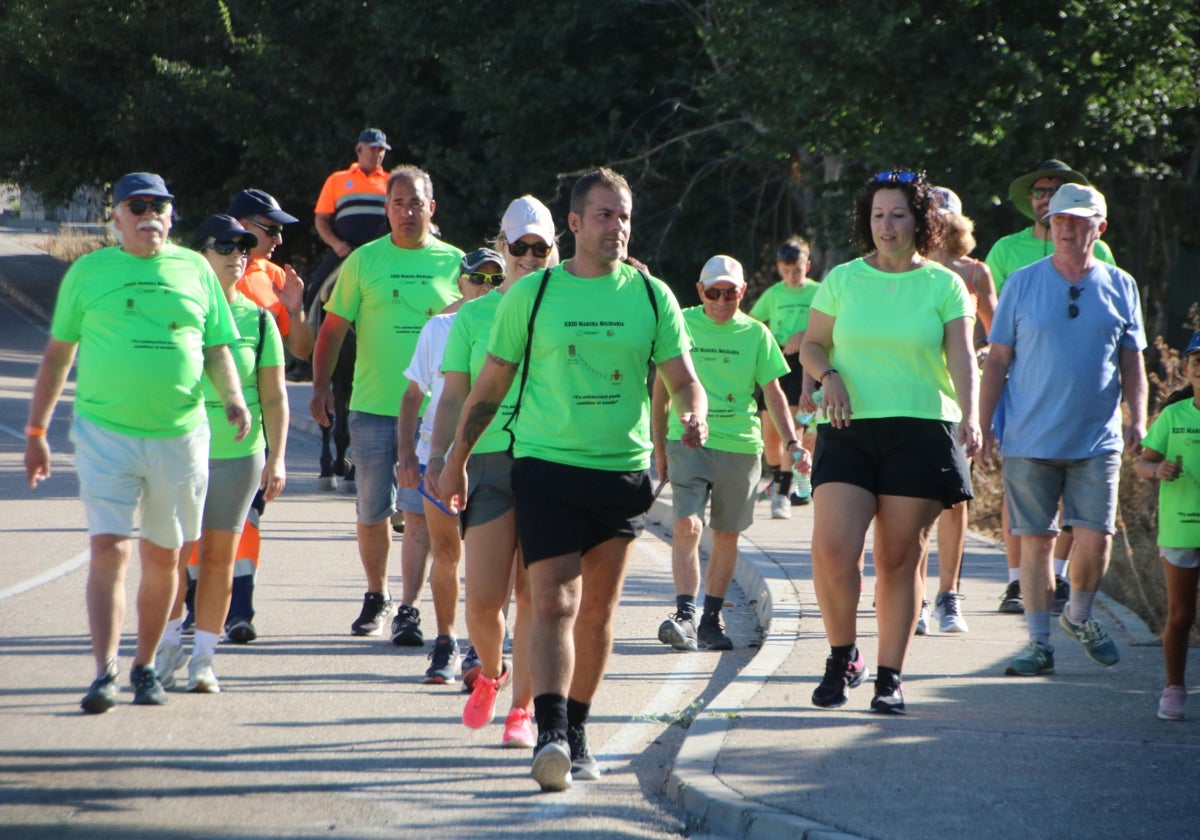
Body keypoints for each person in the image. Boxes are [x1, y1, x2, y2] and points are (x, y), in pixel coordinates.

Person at [435, 169, 707, 792]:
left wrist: (695, 409)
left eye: (625, 216)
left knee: (597, 614)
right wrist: (455, 461)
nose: (617, 227)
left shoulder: (650, 295)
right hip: (545, 465)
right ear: (576, 225)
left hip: (620, 472)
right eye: (605, 215)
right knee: (554, 598)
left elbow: (683, 376)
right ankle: (552, 733)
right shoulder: (531, 296)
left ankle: (577, 730)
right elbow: (491, 382)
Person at [24, 172, 249, 713]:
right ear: (117, 216)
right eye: (138, 205)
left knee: (165, 557)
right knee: (109, 548)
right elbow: (58, 354)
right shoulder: (89, 272)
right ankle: (103, 671)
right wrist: (35, 432)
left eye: (161, 206)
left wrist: (235, 398)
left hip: (180, 434)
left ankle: (145, 665)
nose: (150, 214)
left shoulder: (195, 269)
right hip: (107, 434)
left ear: (172, 216)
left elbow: (217, 346)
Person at [799, 169, 979, 715]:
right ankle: (841, 656)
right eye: (878, 215)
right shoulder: (843, 279)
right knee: (833, 550)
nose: (887, 225)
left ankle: (889, 676)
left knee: (899, 558)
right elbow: (811, 345)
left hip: (922, 428)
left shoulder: (944, 285)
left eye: (898, 214)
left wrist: (971, 419)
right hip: (848, 426)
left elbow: (963, 358)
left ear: (919, 221)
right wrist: (828, 376)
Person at [979, 183, 1147, 678]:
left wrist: (1138, 416)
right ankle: (1038, 643)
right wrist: (985, 422)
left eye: (1078, 220)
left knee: (1096, 538)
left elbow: (1133, 361)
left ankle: (1078, 615)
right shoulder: (1023, 283)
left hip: (1097, 438)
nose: (1067, 229)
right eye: (1059, 220)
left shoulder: (1122, 284)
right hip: (1030, 438)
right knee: (1035, 539)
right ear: (1049, 225)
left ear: (1101, 227)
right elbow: (999, 360)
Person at [309, 165, 463, 643]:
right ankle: (377, 594)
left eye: (416, 203)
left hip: (435, 414)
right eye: (397, 204)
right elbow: (333, 329)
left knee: (419, 512)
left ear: (431, 209)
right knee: (373, 509)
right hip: (375, 406)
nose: (407, 212)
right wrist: (318, 388)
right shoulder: (364, 261)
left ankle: (411, 608)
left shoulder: (457, 263)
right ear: (387, 209)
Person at [427, 195, 559, 748]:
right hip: (484, 461)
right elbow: (453, 398)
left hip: (548, 458)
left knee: (532, 594)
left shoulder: (562, 306)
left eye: (540, 247)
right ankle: (491, 669)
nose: (529, 256)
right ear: (502, 248)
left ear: (554, 251)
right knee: (482, 600)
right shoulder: (473, 316)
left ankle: (522, 710)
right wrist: (440, 462)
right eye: (520, 246)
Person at [155, 215, 288, 692]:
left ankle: (204, 659)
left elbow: (273, 397)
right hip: (180, 447)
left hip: (239, 452)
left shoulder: (259, 318)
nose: (237, 255)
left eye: (243, 248)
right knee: (174, 554)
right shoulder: (176, 309)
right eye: (225, 247)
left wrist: (277, 458)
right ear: (201, 254)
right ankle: (169, 643)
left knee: (218, 556)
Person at [653, 255, 810, 652]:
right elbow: (659, 389)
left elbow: (772, 393)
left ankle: (710, 619)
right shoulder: (681, 322)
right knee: (688, 525)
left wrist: (792, 444)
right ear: (700, 291)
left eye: (731, 293)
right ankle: (685, 614)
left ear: (743, 293)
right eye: (713, 292)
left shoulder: (756, 334)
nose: (722, 301)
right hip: (688, 441)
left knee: (725, 535)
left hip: (740, 445)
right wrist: (659, 446)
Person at [985, 160, 1117, 615]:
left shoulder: (1102, 253)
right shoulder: (1006, 250)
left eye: (1056, 189)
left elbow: (1109, 307)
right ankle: (1018, 581)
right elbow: (993, 313)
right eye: (1040, 191)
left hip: (1080, 394)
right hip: (1021, 383)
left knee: (1068, 495)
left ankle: (1056, 577)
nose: (1046, 196)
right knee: (1021, 489)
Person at [180, 188, 310, 644]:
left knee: (243, 526)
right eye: (267, 230)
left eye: (248, 245)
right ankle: (188, 612)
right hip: (188, 441)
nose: (272, 241)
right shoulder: (185, 289)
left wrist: (294, 307)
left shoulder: (274, 280)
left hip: (243, 443)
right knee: (190, 539)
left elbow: (296, 356)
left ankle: (237, 609)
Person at [396, 248, 503, 683]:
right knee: (446, 553)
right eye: (478, 279)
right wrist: (406, 454)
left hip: (491, 457)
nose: (486, 288)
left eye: (496, 280)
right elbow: (411, 397)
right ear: (460, 282)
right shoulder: (438, 327)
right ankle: (445, 641)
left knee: (484, 560)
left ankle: (481, 648)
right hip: (435, 457)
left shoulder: (509, 325)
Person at [913, 186, 1000, 635]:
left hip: (959, 399)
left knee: (953, 498)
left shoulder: (975, 272)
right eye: (934, 217)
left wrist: (984, 354)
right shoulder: (913, 271)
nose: (941, 225)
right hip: (918, 397)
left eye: (947, 217)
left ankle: (949, 596)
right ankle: (917, 597)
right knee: (916, 502)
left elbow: (998, 331)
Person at [307, 129, 392, 490]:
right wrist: (336, 243)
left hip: (378, 257)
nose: (378, 155)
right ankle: (308, 344)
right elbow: (321, 219)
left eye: (382, 150)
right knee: (316, 289)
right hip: (346, 250)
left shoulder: (391, 182)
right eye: (372, 149)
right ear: (358, 149)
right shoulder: (338, 180)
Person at [1134, 331, 1200, 720]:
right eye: (1198, 364)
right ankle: (1174, 689)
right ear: (1189, 370)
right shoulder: (1174, 415)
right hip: (1181, 527)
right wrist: (1158, 469)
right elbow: (1142, 464)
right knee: (1180, 614)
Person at [750, 238, 820, 518]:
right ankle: (782, 481)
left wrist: (803, 335)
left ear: (808, 266)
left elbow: (830, 323)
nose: (793, 275)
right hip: (777, 362)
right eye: (787, 270)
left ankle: (783, 495)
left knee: (794, 428)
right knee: (771, 440)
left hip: (804, 363)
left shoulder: (818, 292)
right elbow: (753, 322)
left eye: (798, 270)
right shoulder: (774, 294)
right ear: (780, 268)